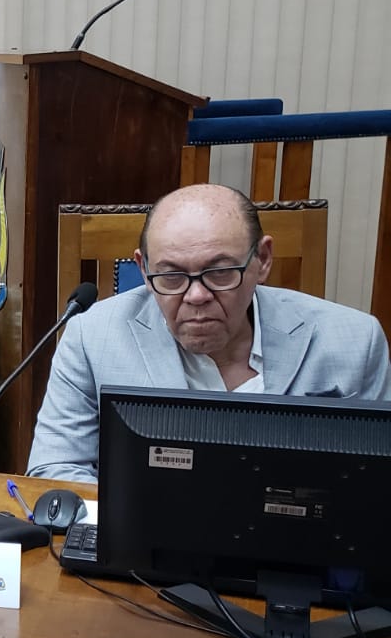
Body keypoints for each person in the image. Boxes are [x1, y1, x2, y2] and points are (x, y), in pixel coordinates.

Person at [28, 183, 391, 482]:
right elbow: (55, 470)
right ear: (144, 268)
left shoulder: (354, 341)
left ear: (262, 260)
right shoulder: (91, 337)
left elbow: (375, 483)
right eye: (171, 276)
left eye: (219, 273)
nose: (197, 295)